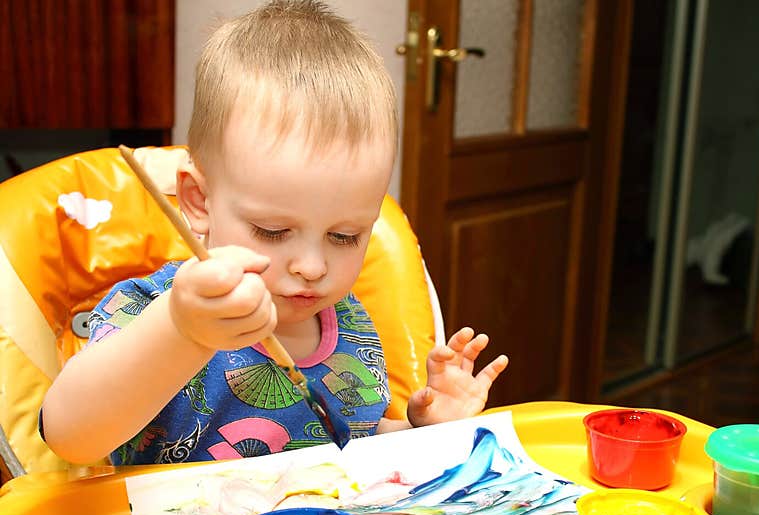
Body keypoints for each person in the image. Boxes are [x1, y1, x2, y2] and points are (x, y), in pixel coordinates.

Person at [39, 0, 508, 465]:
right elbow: (68, 436)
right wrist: (180, 332)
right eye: (273, 230)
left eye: (344, 237)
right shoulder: (150, 310)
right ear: (198, 202)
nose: (312, 266)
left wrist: (421, 430)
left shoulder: (351, 327)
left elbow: (347, 443)